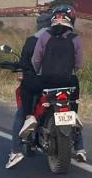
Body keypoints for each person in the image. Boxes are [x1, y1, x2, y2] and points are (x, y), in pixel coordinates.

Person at [5, 10, 86, 169]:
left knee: (23, 101)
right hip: (69, 81)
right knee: (71, 107)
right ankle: (80, 147)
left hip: (43, 81)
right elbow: (79, 63)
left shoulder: (38, 38)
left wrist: (38, 73)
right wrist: (70, 72)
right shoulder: (75, 38)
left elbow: (34, 61)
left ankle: (16, 149)